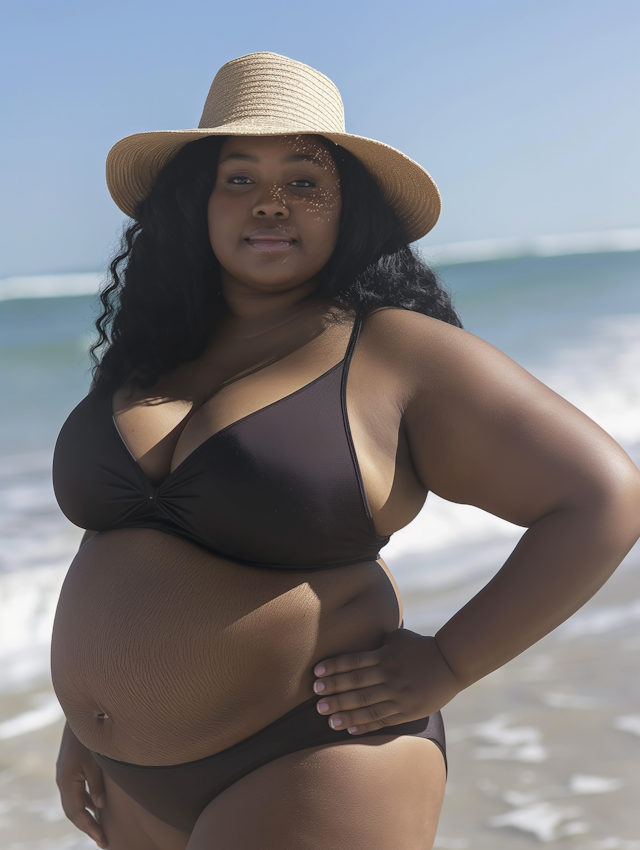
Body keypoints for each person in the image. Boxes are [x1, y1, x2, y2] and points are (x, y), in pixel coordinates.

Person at [51, 52, 640, 850]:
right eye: (238, 178)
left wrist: (448, 663)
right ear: (196, 202)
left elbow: (604, 498)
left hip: (311, 759)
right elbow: (127, 548)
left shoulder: (396, 351)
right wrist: (86, 721)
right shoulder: (154, 352)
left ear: (346, 207)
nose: (269, 204)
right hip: (125, 784)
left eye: (303, 181)